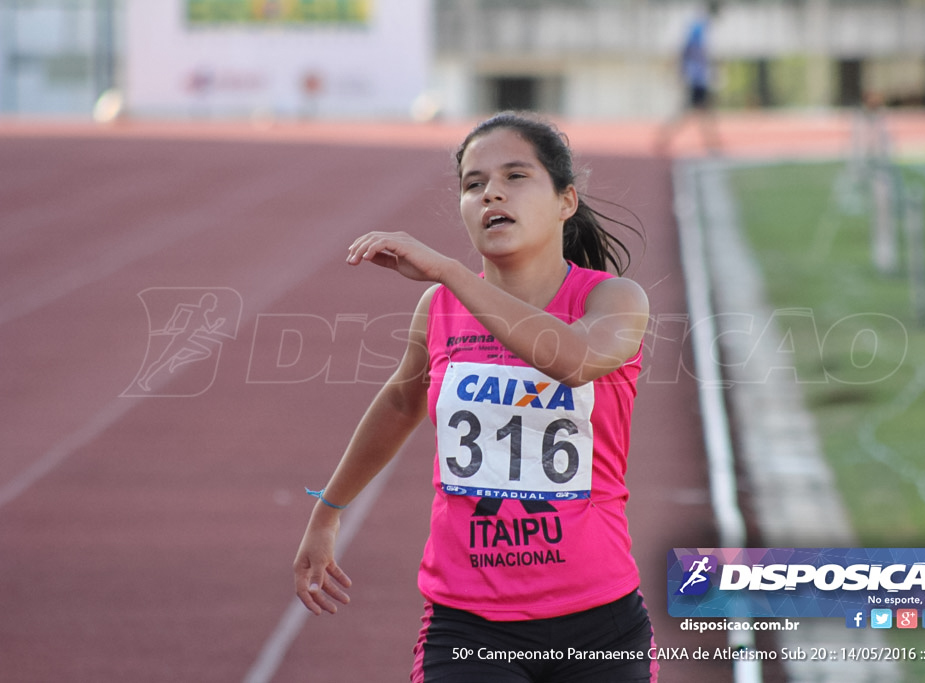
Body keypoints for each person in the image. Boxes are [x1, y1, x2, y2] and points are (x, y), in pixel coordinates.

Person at [293, 111, 658, 682]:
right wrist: (327, 510)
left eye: (516, 176)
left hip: (599, 619)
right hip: (469, 625)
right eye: (473, 184)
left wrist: (448, 272)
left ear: (566, 201)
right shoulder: (438, 309)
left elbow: (573, 361)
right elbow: (400, 403)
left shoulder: (613, 301)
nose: (491, 193)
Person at [656, 0, 723, 156]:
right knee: (697, 110)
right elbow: (686, 49)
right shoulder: (699, 27)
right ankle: (712, 144)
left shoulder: (703, 26)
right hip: (697, 77)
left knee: (699, 110)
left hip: (698, 76)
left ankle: (711, 143)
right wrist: (681, 69)